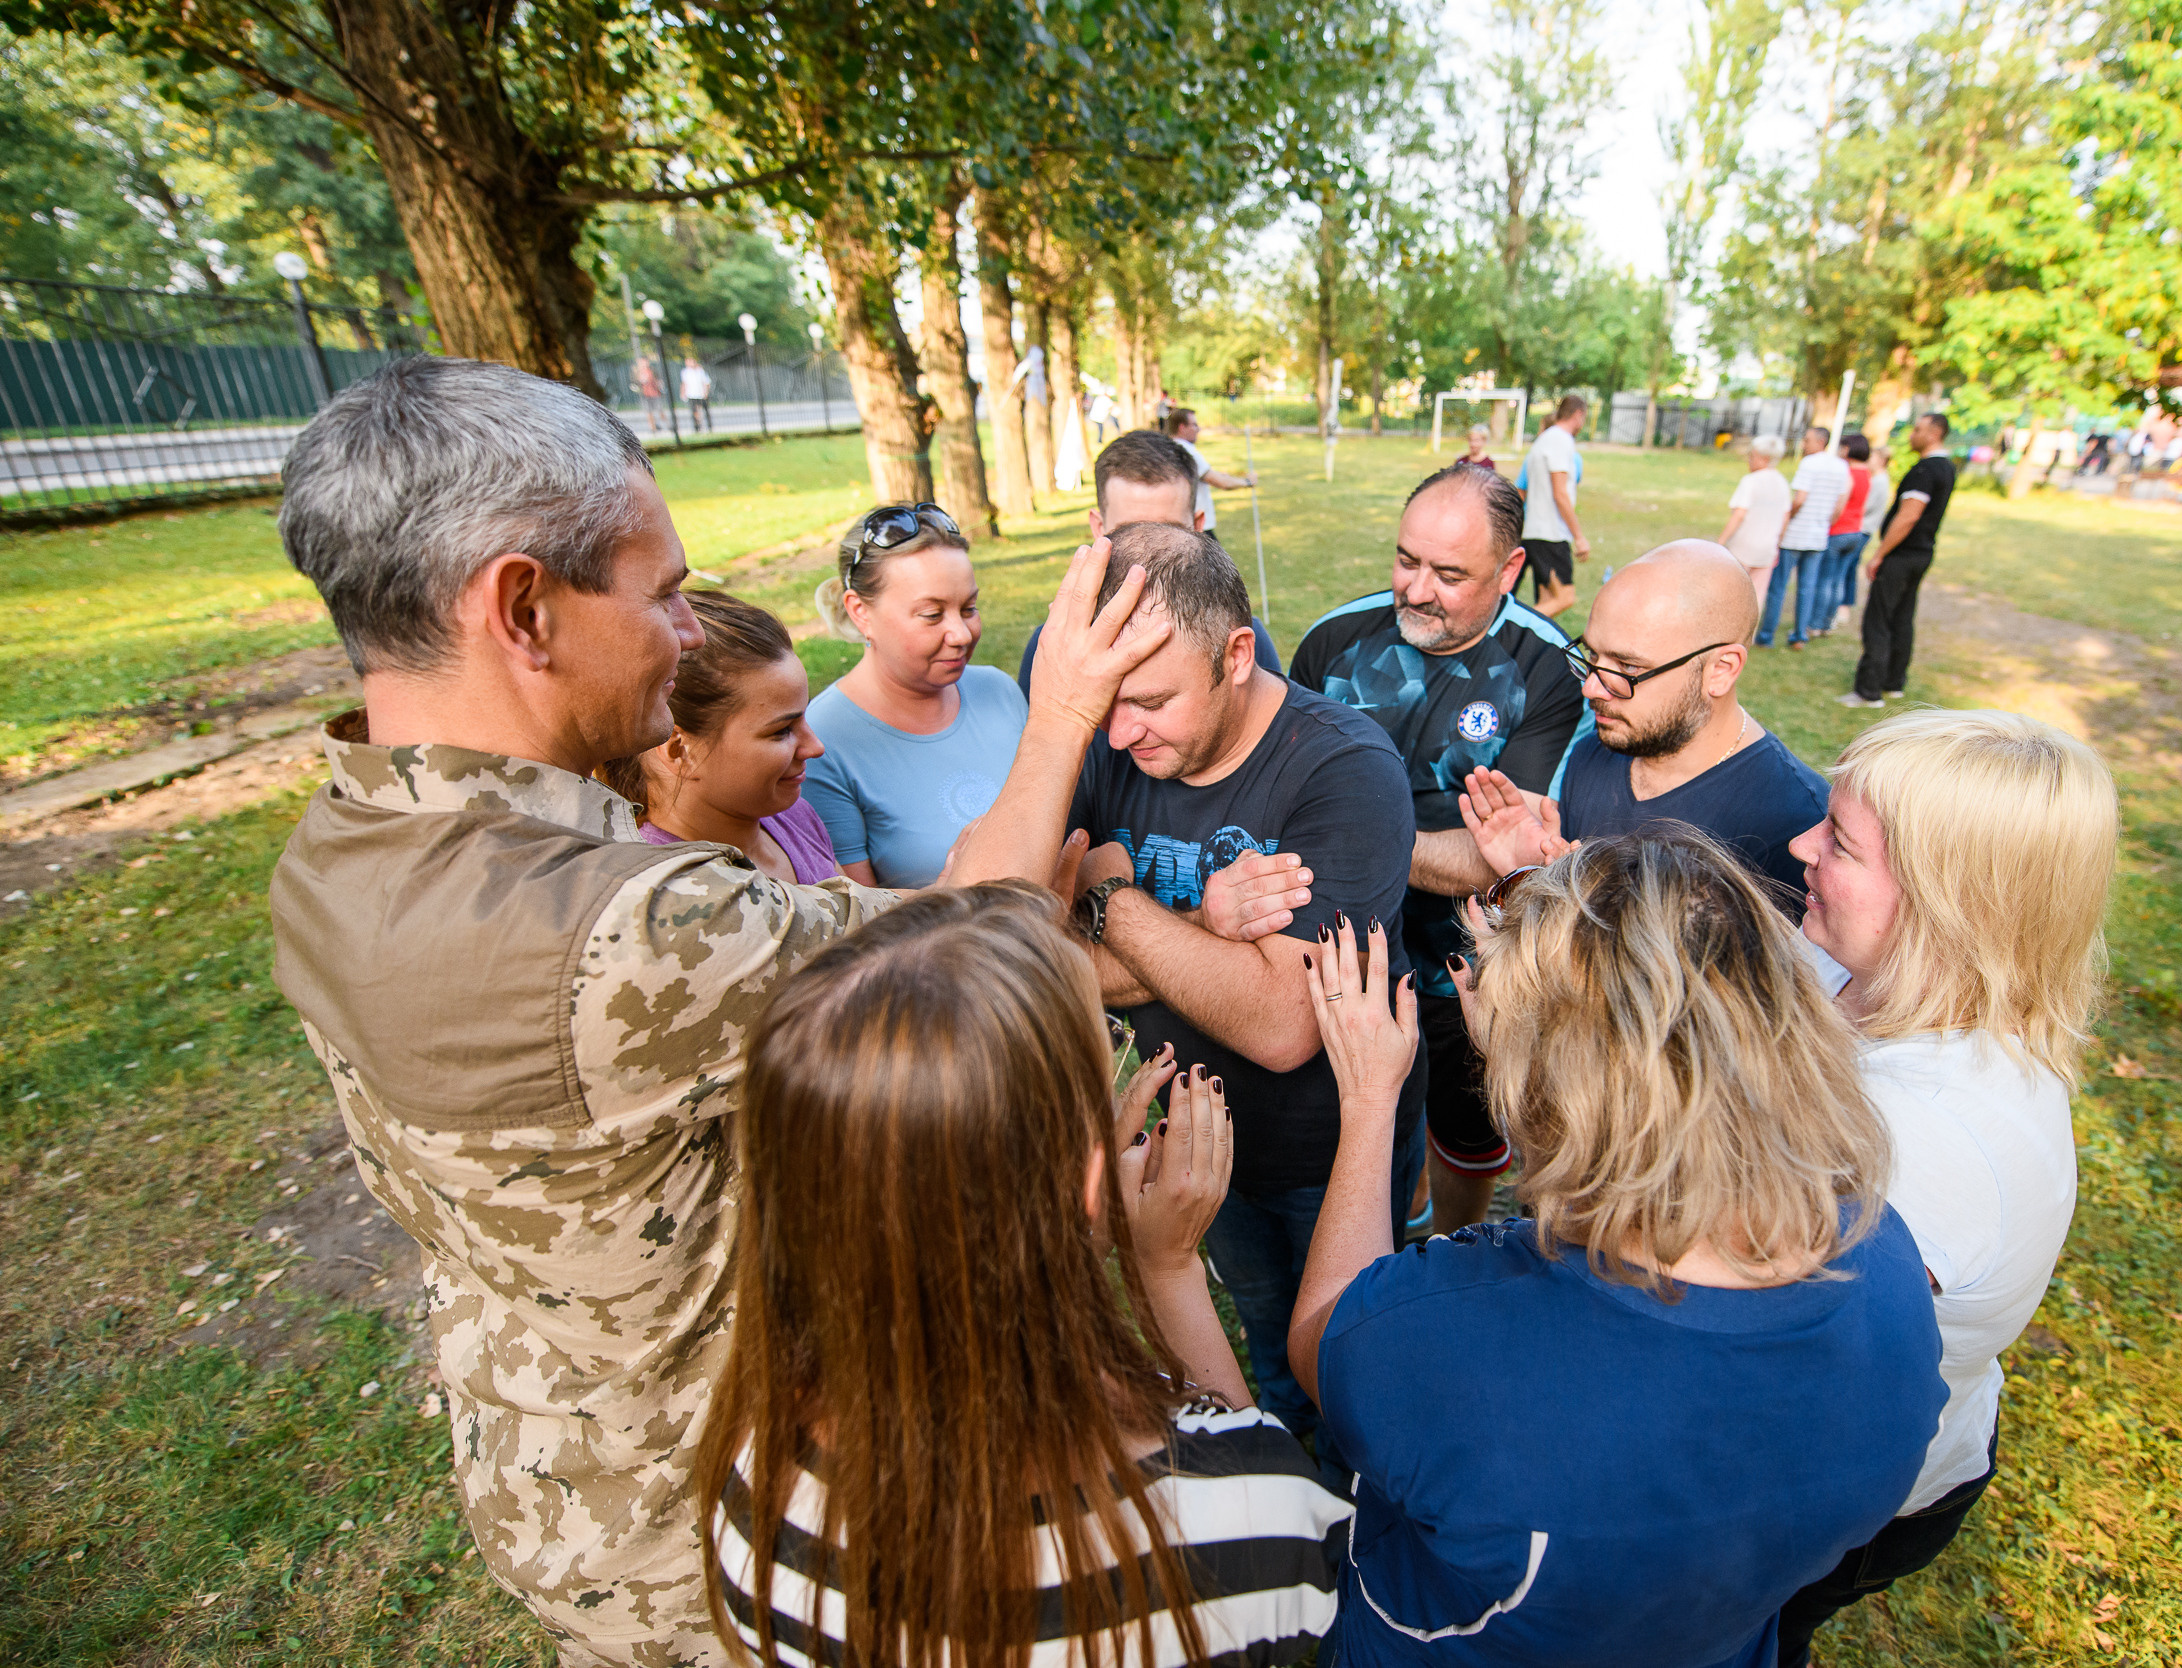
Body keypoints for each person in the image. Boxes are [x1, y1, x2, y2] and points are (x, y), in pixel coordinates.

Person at [263, 355, 1169, 1667]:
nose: (687, 635)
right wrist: (1068, 708)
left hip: (553, 1468)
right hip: (718, 1534)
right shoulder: (624, 934)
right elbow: (975, 947)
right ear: (522, 607)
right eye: (663, 592)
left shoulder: (336, 849)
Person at [1286, 838, 1946, 1668]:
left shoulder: (1457, 1347)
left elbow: (1322, 1332)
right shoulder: (1886, 1268)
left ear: (1555, 1091)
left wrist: (1371, 1101)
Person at [701, 884, 1353, 1668]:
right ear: (1085, 1183)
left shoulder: (753, 1485)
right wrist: (1168, 1267)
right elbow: (1262, 1544)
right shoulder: (1243, 1526)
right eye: (1106, 1055)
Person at [1065, 520, 1424, 1458]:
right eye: (1106, 701)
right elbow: (1036, 959)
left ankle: (1344, 1507)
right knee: (1267, 1337)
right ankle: (1283, 1458)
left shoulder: (1344, 769)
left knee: (1345, 1369)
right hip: (1197, 1151)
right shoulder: (1113, 743)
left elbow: (1279, 1024)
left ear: (1234, 656)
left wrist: (1113, 900)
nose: (1117, 731)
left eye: (1148, 701)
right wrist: (1203, 929)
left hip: (1324, 1157)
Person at [1777, 709, 2118, 1668]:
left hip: (1843, 1490)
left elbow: (1763, 1352)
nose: (1801, 846)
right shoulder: (1869, 967)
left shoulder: (1926, 1141)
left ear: (1943, 905)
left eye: (1838, 842)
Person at [1289, 464, 1588, 1232]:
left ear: (1511, 569)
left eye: (1450, 574)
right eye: (1405, 559)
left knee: (1468, 1134)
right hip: (1339, 949)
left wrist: (1346, 842)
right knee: (1359, 1115)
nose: (1417, 590)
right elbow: (1283, 798)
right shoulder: (1332, 641)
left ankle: (1455, 1245)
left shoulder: (1548, 670)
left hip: (1468, 967)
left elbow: (1500, 858)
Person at [1456, 541, 1828, 913]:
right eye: (1591, 655)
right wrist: (1539, 879)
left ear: (1722, 669)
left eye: (1628, 668)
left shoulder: (1796, 826)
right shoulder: (1595, 750)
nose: (1591, 687)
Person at [802, 504, 1027, 889]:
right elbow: (858, 919)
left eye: (969, 608)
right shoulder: (823, 741)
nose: (961, 634)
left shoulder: (1000, 690)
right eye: (932, 615)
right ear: (860, 612)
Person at [1017, 429, 1283, 696]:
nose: (1150, 554)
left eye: (1170, 532)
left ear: (1198, 527)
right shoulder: (1052, 648)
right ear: (1099, 528)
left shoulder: (1242, 641)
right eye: (1129, 532)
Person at [605, 591, 844, 885]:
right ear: (679, 750)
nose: (815, 747)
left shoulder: (792, 817)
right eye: (782, 731)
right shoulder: (667, 890)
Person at [1842, 412, 1956, 710]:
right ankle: (1894, 681)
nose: (1911, 435)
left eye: (1917, 429)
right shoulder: (1946, 467)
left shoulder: (1926, 470)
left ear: (1934, 434)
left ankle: (1869, 690)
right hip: (1922, 553)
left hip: (1903, 555)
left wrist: (1880, 554)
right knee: (1903, 615)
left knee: (1878, 619)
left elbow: (1908, 515)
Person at [1762, 424, 1851, 652]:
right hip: (1818, 536)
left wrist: (1787, 519)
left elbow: (1800, 499)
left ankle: (1766, 635)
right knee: (1807, 587)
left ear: (1820, 442)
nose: (1804, 444)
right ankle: (1800, 634)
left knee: (1778, 587)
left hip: (1795, 535)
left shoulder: (1809, 464)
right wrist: (1825, 523)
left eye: (1807, 440)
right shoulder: (1841, 467)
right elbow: (1840, 505)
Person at [1518, 394, 1589, 616]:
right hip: (1551, 534)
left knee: (1547, 599)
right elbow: (1560, 493)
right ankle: (1504, 631)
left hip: (1535, 530)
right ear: (1578, 415)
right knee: (1565, 597)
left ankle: (1525, 648)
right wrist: (1579, 536)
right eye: (1584, 418)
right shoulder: (1560, 440)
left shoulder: (1545, 439)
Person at [1813, 432, 1875, 636]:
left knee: (1825, 580)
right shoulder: (1867, 474)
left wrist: (1829, 522)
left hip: (1839, 531)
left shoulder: (1848, 474)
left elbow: (1840, 504)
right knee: (1838, 580)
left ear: (1847, 449)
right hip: (1855, 532)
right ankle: (1828, 622)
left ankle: (1816, 623)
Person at [1720, 433, 1791, 612]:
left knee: (1733, 595)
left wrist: (1720, 543)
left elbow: (1739, 514)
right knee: (1756, 597)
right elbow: (1785, 518)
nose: (1749, 461)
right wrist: (1777, 544)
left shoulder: (1750, 481)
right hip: (1767, 548)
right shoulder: (1782, 483)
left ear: (1764, 458)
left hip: (1744, 547)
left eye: (1752, 456)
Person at [1168, 406, 1255, 531]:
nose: (1198, 429)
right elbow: (1221, 483)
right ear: (1182, 427)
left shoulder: (1169, 447)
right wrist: (1248, 482)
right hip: (1196, 524)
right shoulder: (1185, 450)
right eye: (1194, 425)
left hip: (1182, 522)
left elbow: (1203, 476)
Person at [680, 353, 714, 432]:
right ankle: (697, 427)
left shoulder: (700, 371)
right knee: (694, 411)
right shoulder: (685, 372)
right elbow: (684, 383)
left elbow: (707, 382)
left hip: (701, 395)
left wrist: (706, 392)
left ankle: (709, 427)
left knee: (705, 411)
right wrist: (682, 392)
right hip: (691, 395)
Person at [632, 355, 664, 433]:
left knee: (660, 410)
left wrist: (659, 386)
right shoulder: (637, 372)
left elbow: (658, 380)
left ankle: (669, 425)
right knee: (649, 412)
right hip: (645, 394)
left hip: (655, 393)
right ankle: (653, 428)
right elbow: (634, 382)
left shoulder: (652, 370)